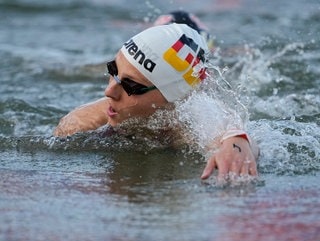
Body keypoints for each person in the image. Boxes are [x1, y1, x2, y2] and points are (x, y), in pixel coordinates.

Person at [54, 23, 259, 181]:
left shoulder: (191, 122)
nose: (109, 91)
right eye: (112, 70)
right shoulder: (82, 123)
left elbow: (234, 135)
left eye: (131, 86)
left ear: (172, 99)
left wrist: (238, 144)